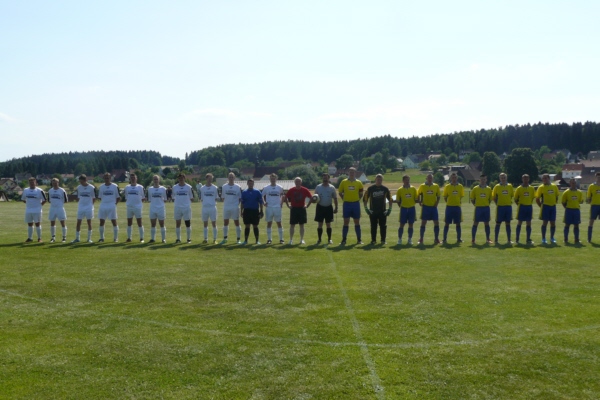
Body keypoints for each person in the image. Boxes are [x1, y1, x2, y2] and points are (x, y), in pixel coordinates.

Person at [338, 167, 364, 245]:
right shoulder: (343, 182)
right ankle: (344, 240)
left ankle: (359, 240)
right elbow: (340, 192)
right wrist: (344, 199)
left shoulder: (359, 182)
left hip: (356, 204)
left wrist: (357, 199)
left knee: (357, 222)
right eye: (350, 172)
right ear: (348, 173)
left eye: (353, 172)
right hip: (347, 204)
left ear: (355, 173)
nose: (352, 173)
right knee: (346, 221)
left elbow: (361, 194)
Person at [363, 174, 392, 245]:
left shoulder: (385, 189)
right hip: (373, 211)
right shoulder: (370, 188)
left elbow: (390, 199)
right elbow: (365, 199)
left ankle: (383, 240)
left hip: (382, 211)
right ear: (375, 180)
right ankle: (373, 240)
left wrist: (389, 209)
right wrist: (366, 209)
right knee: (373, 226)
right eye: (378, 179)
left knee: (383, 226)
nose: (379, 181)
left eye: (380, 179)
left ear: (382, 180)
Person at [284, 177, 312, 244]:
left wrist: (307, 205)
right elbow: (285, 197)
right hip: (294, 209)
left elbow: (311, 198)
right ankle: (291, 240)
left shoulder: (305, 190)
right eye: (296, 181)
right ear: (294, 182)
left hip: (302, 209)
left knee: (301, 225)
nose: (297, 183)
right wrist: (288, 205)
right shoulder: (291, 190)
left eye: (299, 181)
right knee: (292, 225)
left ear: (301, 182)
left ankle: (301, 239)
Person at [314, 173, 338, 244]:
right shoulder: (318, 187)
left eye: (326, 178)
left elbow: (335, 198)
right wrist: (314, 200)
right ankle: (319, 239)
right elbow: (315, 197)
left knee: (328, 224)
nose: (325, 179)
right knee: (320, 224)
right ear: (322, 178)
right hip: (320, 207)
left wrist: (336, 208)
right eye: (324, 178)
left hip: (328, 208)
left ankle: (329, 239)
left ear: (328, 178)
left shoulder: (332, 187)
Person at [536, 173, 560, 244]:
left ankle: (552, 238)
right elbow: (537, 199)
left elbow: (556, 196)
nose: (544, 179)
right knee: (545, 223)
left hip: (553, 207)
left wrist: (554, 202)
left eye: (545, 178)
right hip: (545, 207)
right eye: (543, 178)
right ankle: (543, 238)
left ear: (549, 178)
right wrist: (541, 206)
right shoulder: (541, 187)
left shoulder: (554, 186)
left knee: (553, 223)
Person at [417, 173, 441, 244]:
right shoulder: (422, 186)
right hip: (425, 207)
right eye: (428, 178)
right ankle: (421, 239)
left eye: (431, 178)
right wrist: (419, 202)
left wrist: (436, 203)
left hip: (433, 207)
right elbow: (418, 194)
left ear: (432, 179)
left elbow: (438, 196)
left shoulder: (436, 186)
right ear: (426, 178)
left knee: (436, 222)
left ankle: (436, 239)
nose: (430, 179)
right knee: (423, 222)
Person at [72, 174, 96, 243]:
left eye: (82, 181)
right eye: (80, 182)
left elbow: (94, 198)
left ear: (86, 180)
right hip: (81, 207)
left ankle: (89, 239)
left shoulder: (91, 187)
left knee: (89, 222)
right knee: (78, 222)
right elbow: (78, 197)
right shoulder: (79, 187)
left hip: (89, 207)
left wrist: (91, 205)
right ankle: (77, 238)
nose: (81, 183)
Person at [96, 172, 120, 243]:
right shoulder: (101, 187)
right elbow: (100, 197)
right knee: (101, 221)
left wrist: (114, 204)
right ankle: (101, 238)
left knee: (114, 221)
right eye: (105, 178)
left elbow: (118, 197)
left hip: (112, 205)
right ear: (104, 178)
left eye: (108, 178)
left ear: (110, 178)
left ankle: (115, 238)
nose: (107, 179)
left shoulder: (115, 186)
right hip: (103, 205)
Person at [262, 173, 285, 244]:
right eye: (271, 178)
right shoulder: (266, 188)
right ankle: (269, 239)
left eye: (274, 178)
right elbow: (262, 195)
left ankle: (281, 239)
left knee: (279, 223)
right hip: (269, 207)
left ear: (276, 179)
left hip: (277, 207)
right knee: (269, 223)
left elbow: (283, 195)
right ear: (270, 179)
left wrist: (281, 203)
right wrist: (264, 202)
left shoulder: (279, 187)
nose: (273, 180)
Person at [22, 177, 46, 242]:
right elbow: (23, 199)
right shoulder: (26, 190)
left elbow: (44, 200)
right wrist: (29, 204)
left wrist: (39, 206)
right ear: (29, 183)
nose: (32, 183)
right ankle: (30, 238)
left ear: (36, 183)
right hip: (28, 210)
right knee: (30, 224)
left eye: (33, 182)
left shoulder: (40, 190)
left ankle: (39, 238)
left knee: (37, 224)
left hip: (37, 210)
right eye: (30, 182)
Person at [122, 173, 145, 243]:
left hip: (137, 207)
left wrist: (138, 204)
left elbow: (143, 197)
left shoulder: (140, 187)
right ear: (130, 179)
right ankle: (129, 238)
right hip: (129, 207)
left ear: (136, 178)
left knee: (139, 222)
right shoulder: (127, 187)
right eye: (131, 178)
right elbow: (126, 197)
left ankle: (141, 238)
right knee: (129, 222)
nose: (133, 179)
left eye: (134, 177)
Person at [470, 174, 493, 244]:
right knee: (475, 223)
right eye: (481, 179)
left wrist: (486, 204)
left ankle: (488, 239)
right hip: (478, 208)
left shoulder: (489, 189)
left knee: (487, 223)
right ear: (479, 180)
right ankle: (473, 239)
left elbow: (490, 199)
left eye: (484, 179)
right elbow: (472, 199)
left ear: (486, 180)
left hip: (486, 208)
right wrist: (476, 205)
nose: (483, 181)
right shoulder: (475, 188)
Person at [492, 173, 514, 244]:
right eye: (501, 178)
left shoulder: (510, 186)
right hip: (500, 207)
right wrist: (498, 204)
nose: (503, 179)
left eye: (504, 177)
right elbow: (494, 197)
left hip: (508, 207)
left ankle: (509, 240)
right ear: (500, 178)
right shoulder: (497, 186)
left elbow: (511, 195)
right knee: (498, 223)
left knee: (508, 223)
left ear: (506, 178)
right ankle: (496, 240)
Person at [240, 178, 264, 245]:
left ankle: (257, 241)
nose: (250, 184)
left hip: (255, 211)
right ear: (247, 184)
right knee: (247, 225)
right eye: (249, 183)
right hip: (247, 211)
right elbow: (242, 203)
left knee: (255, 225)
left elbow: (261, 202)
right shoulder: (244, 192)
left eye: (252, 183)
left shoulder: (257, 192)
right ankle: (245, 241)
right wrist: (241, 211)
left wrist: (261, 211)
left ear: (253, 184)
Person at [220, 172, 242, 244]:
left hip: (235, 207)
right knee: (225, 222)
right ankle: (225, 238)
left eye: (232, 177)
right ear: (228, 178)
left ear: (234, 178)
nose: (231, 178)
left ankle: (238, 239)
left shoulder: (238, 187)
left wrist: (236, 204)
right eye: (230, 177)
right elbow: (223, 197)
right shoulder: (224, 186)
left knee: (237, 222)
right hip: (226, 207)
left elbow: (240, 198)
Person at [442, 173, 464, 243]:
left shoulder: (460, 186)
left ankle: (459, 239)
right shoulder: (447, 186)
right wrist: (449, 203)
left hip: (457, 207)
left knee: (458, 223)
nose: (454, 179)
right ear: (451, 178)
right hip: (449, 207)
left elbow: (461, 196)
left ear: (457, 178)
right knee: (447, 223)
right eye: (452, 177)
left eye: (455, 177)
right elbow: (445, 197)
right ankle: (444, 239)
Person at [514, 174, 536, 244]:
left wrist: (528, 203)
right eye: (524, 178)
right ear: (522, 179)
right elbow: (515, 199)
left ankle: (528, 239)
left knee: (528, 223)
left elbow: (532, 198)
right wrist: (520, 204)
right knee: (519, 222)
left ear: (529, 179)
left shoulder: (531, 188)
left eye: (527, 178)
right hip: (521, 207)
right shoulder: (519, 188)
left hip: (529, 207)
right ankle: (517, 239)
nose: (525, 180)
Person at [396, 174, 417, 245]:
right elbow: (398, 201)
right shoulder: (400, 190)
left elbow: (415, 199)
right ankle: (399, 239)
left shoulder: (413, 189)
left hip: (411, 208)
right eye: (406, 180)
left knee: (411, 224)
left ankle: (410, 239)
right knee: (401, 224)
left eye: (408, 180)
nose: (407, 181)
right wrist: (402, 206)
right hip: (403, 209)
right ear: (403, 181)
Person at [173, 173, 194, 243]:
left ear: (184, 178)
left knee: (187, 223)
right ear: (178, 179)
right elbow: (173, 197)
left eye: (182, 178)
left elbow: (192, 197)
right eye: (179, 178)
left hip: (186, 207)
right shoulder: (174, 187)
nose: (181, 179)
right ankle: (178, 239)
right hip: (177, 207)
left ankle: (188, 239)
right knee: (177, 223)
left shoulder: (189, 187)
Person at [146, 174, 168, 243]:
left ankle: (163, 239)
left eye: (156, 179)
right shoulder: (150, 189)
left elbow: (165, 199)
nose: (155, 180)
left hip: (161, 208)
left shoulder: (163, 189)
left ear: (159, 180)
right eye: (154, 179)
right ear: (153, 180)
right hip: (152, 208)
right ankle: (153, 239)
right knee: (153, 224)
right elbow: (149, 199)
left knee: (162, 224)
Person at [562, 178, 583, 243]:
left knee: (576, 225)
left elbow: (580, 201)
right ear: (570, 183)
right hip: (569, 210)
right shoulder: (566, 192)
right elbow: (563, 202)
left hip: (576, 210)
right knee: (567, 225)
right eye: (572, 183)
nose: (573, 184)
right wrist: (567, 208)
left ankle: (576, 239)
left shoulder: (579, 192)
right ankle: (565, 239)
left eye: (574, 183)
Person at [199, 173, 219, 243]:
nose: (210, 180)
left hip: (212, 207)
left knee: (214, 223)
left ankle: (215, 239)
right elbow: (201, 198)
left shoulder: (215, 188)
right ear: (206, 179)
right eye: (209, 178)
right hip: (205, 208)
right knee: (205, 223)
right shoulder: (202, 188)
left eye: (211, 179)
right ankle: (205, 239)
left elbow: (216, 198)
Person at [47, 178, 68, 243]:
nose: (55, 184)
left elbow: (66, 200)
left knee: (62, 223)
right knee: (52, 223)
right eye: (53, 183)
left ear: (58, 183)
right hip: (52, 208)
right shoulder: (50, 191)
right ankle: (53, 237)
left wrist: (59, 204)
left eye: (56, 183)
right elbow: (49, 200)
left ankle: (64, 237)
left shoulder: (62, 190)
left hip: (60, 208)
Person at [586, 172, 600, 242]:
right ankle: (589, 239)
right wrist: (589, 200)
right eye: (598, 177)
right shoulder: (591, 186)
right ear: (595, 177)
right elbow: (588, 197)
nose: (599, 178)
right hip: (594, 206)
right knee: (591, 221)